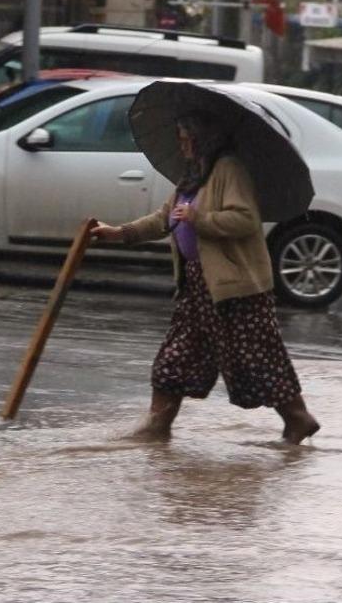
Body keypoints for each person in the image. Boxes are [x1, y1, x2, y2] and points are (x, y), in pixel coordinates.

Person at [91, 111, 320, 444]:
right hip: (197, 286)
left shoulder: (230, 169)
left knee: (256, 360)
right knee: (176, 358)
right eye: (180, 138)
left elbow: (245, 219)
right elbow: (162, 219)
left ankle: (298, 418)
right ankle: (158, 426)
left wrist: (200, 218)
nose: (182, 145)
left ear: (205, 139)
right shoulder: (192, 176)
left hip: (235, 289)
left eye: (187, 138)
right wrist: (117, 233)